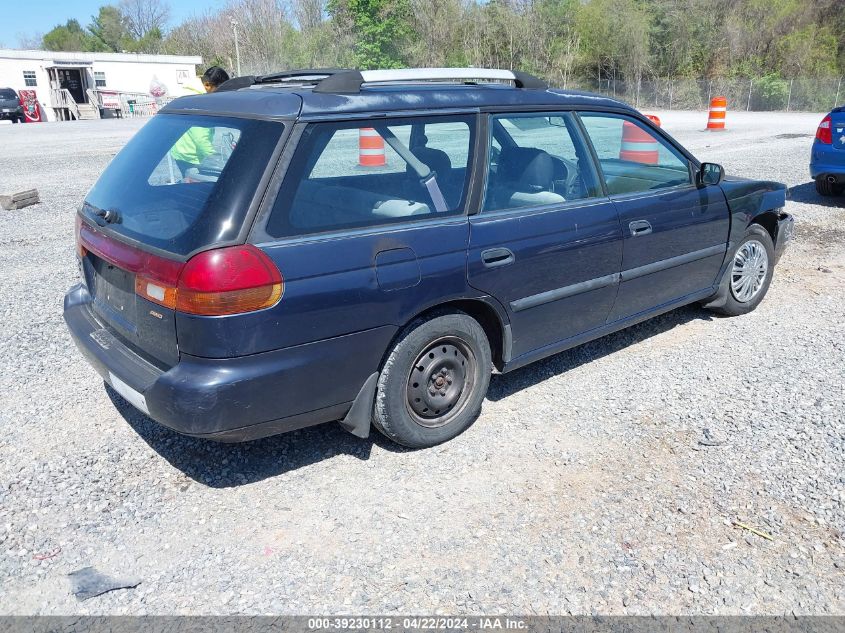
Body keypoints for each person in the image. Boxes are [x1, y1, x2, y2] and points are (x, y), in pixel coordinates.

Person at [169, 67, 231, 178]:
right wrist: (217, 160)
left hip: (181, 151)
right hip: (192, 156)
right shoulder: (200, 102)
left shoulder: (188, 92)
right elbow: (200, 137)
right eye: (220, 90)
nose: (221, 95)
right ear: (208, 85)